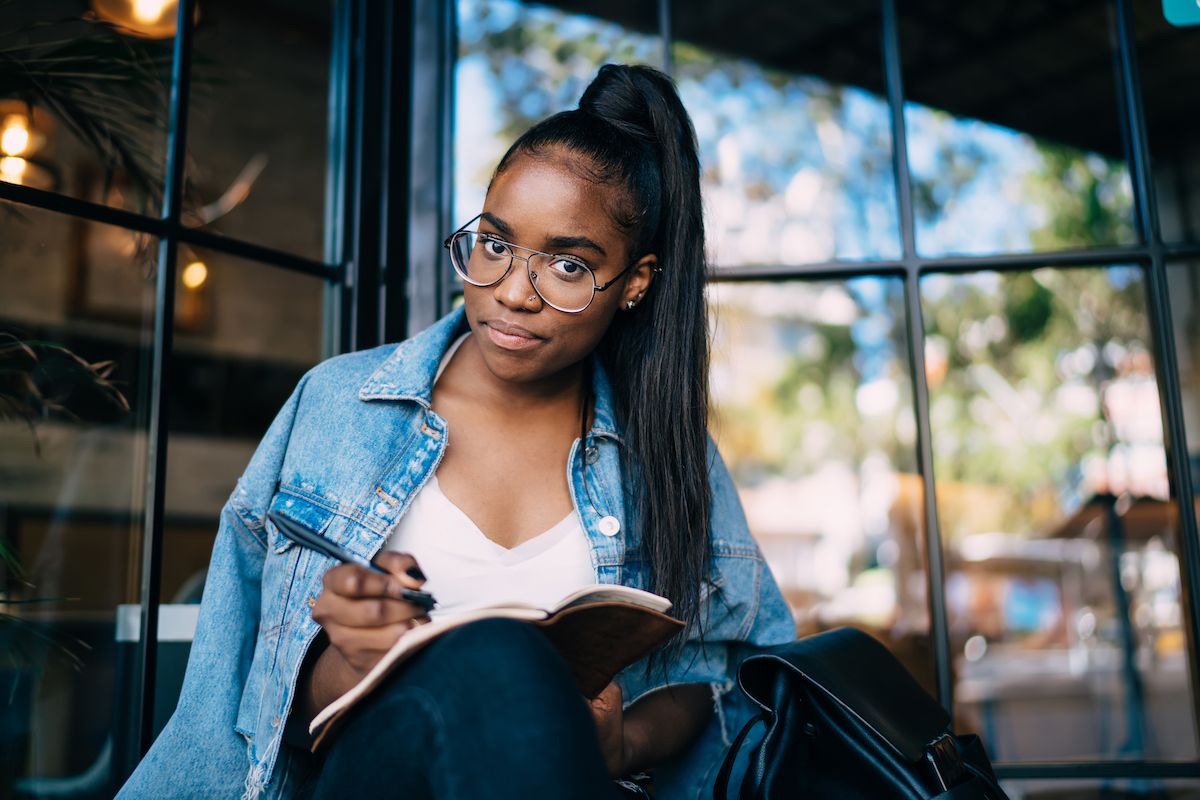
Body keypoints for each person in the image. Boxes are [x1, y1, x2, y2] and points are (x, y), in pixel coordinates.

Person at [117, 63, 795, 800]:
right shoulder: (339, 405)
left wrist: (624, 739)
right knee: (496, 657)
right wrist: (351, 654)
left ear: (635, 282)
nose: (509, 292)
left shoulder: (668, 453)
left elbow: (714, 672)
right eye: (495, 245)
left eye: (568, 265)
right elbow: (243, 693)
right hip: (367, 778)